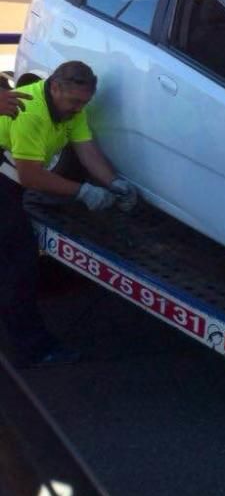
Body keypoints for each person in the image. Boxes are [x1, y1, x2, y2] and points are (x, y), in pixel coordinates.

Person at [0, 61, 137, 368]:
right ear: (55, 87)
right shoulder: (31, 111)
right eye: (74, 101)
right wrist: (83, 192)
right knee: (17, 265)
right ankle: (33, 349)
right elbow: (31, 177)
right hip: (6, 179)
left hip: (9, 179)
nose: (78, 109)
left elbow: (86, 149)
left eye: (85, 102)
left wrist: (114, 183)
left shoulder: (69, 109)